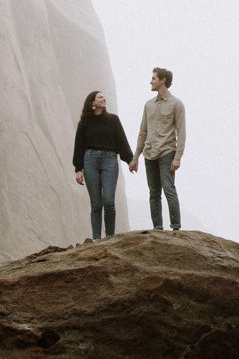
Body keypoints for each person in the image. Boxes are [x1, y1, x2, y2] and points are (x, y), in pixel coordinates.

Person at [71, 90, 132, 240]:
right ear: (92, 102)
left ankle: (110, 237)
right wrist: (78, 169)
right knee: (96, 204)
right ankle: (97, 239)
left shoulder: (113, 120)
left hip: (109, 160)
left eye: (104, 97)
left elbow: (121, 141)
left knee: (109, 201)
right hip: (90, 160)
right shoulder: (84, 123)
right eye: (100, 97)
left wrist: (130, 160)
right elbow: (79, 146)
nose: (104, 99)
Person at [135, 66, 186, 231]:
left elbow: (182, 133)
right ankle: (157, 228)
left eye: (154, 78)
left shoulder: (176, 104)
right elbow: (142, 132)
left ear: (163, 80)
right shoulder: (148, 105)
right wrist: (135, 157)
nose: (150, 81)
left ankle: (176, 227)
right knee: (154, 192)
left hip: (167, 152)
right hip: (149, 153)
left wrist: (177, 157)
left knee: (168, 188)